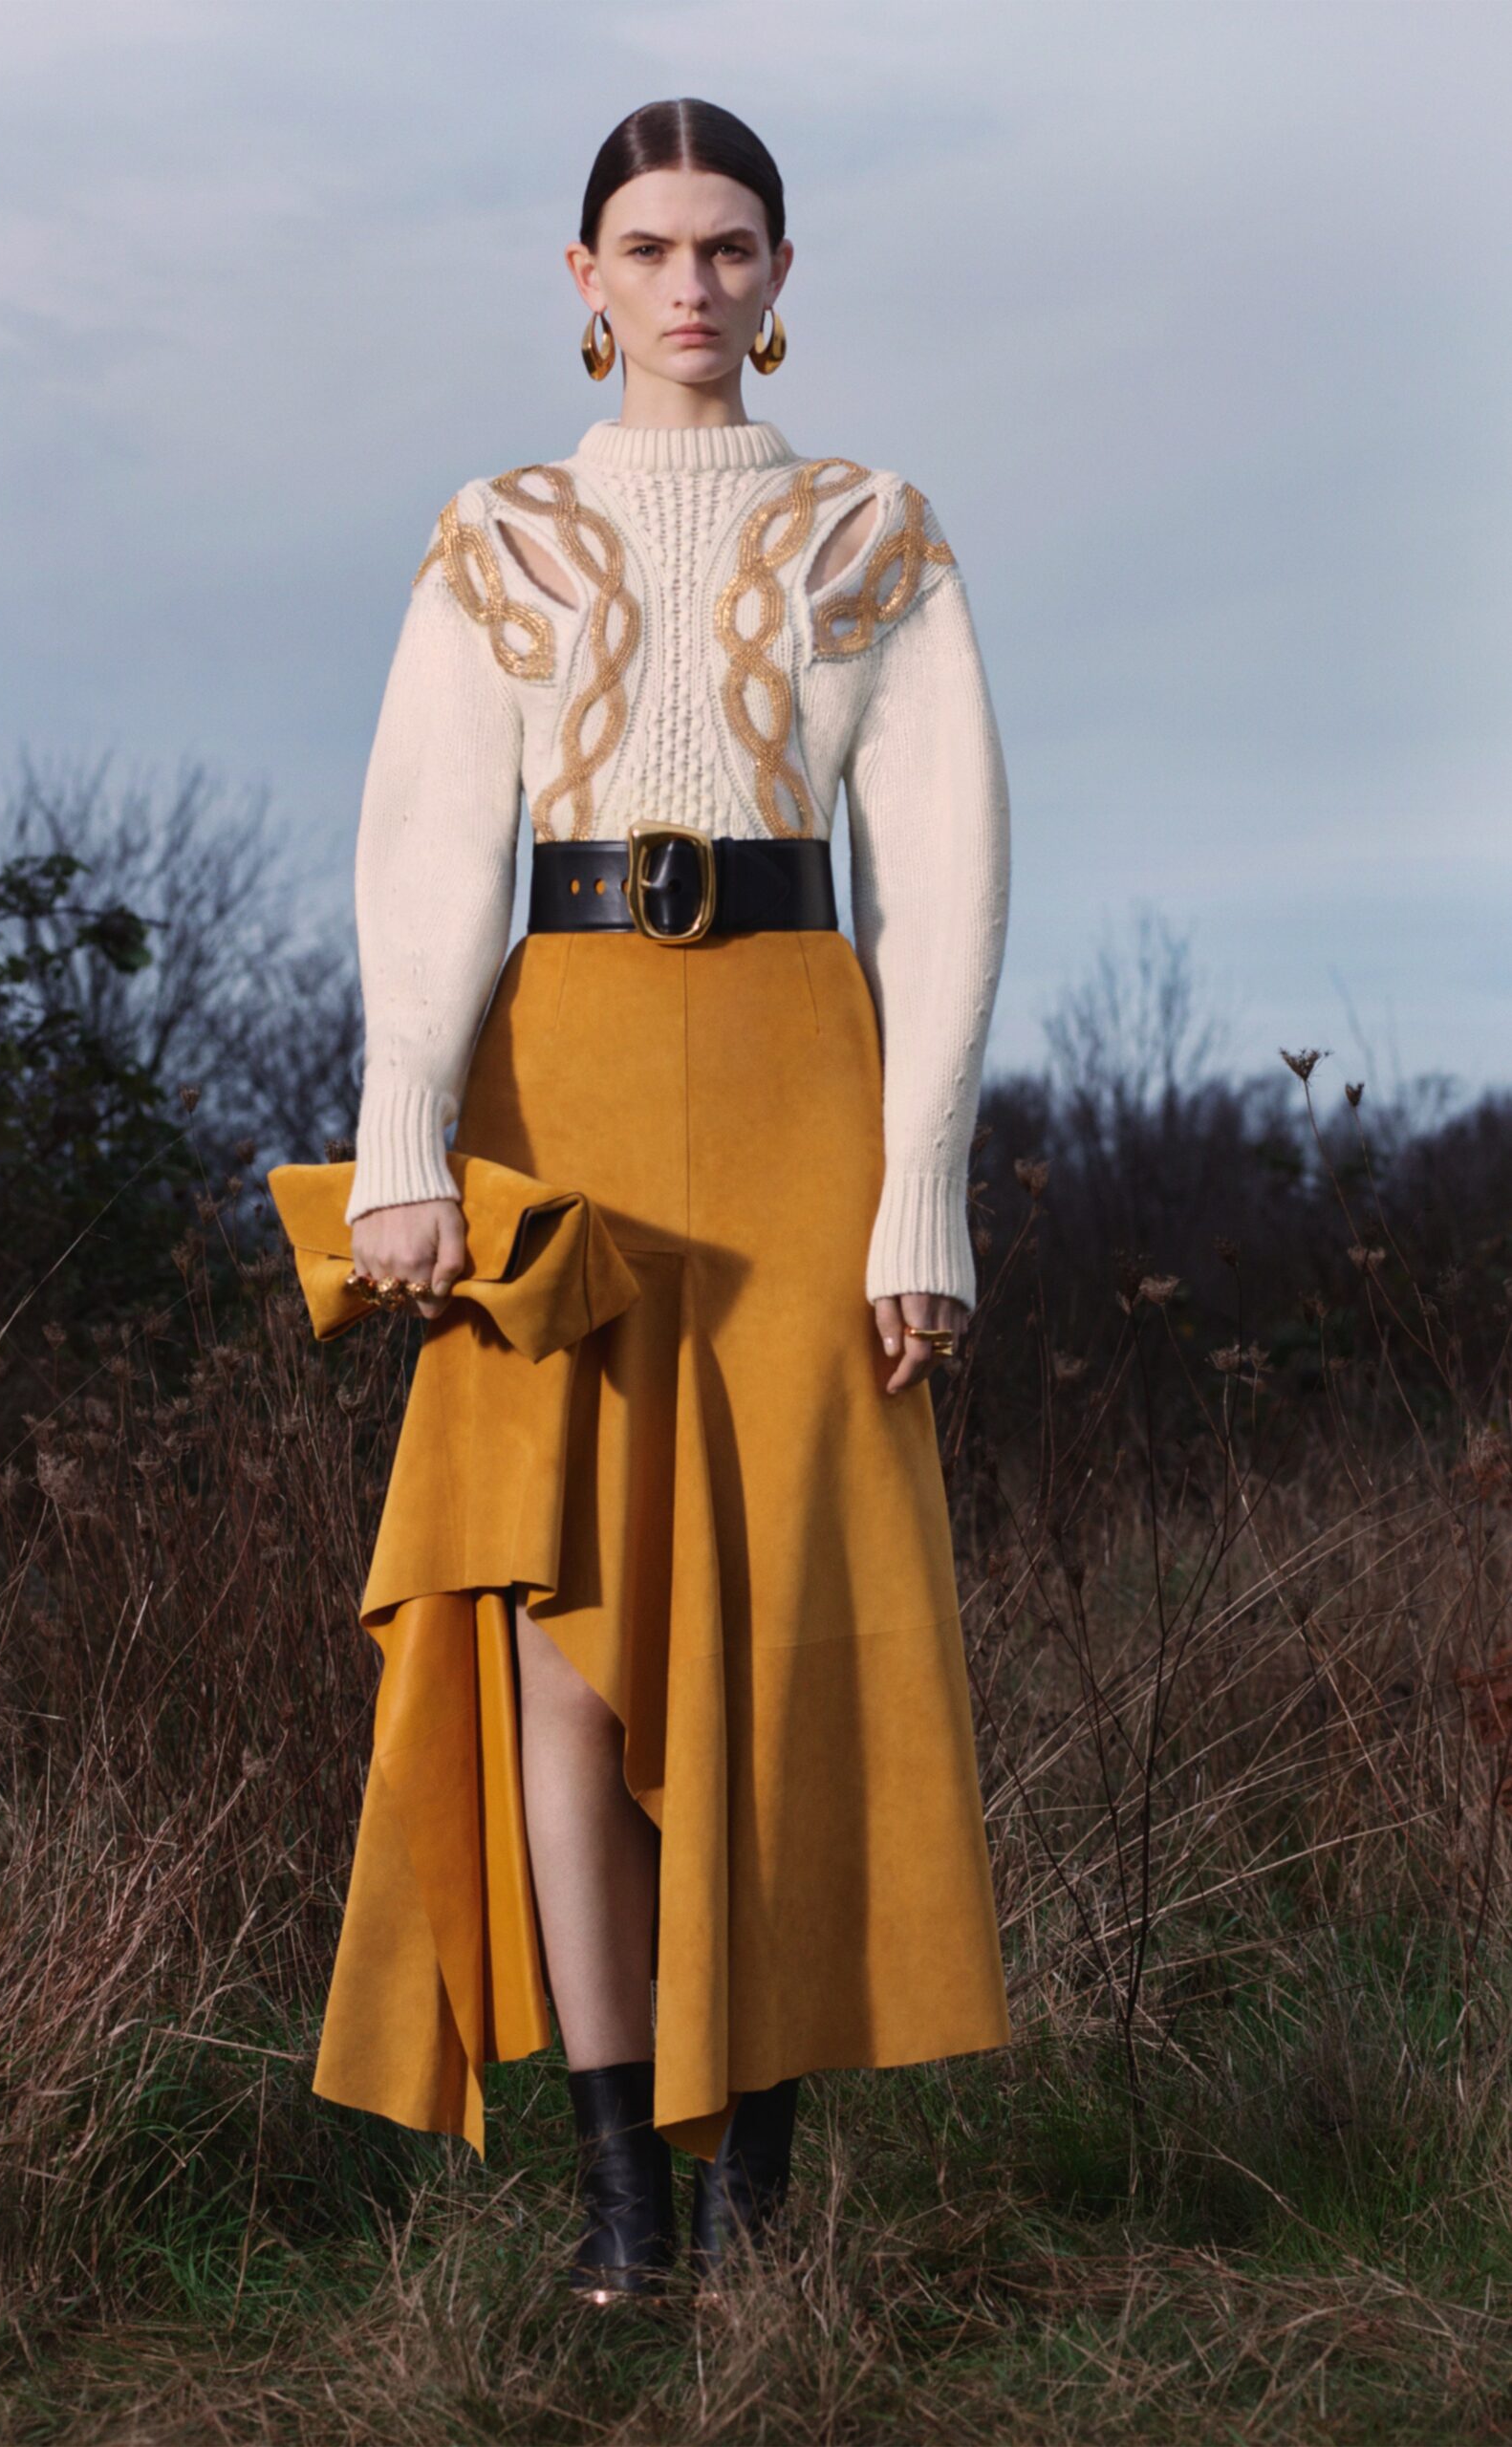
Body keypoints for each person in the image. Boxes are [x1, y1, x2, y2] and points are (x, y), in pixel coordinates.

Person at [337, 95, 1013, 2308]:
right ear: (581, 278)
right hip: (567, 1088)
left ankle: (758, 2203)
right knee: (560, 1651)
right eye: (648, 246)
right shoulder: (494, 532)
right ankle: (626, 2192)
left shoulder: (871, 528)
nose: (692, 284)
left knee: (780, 1642)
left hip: (812, 1080)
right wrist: (409, 1139)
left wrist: (923, 1191)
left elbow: (945, 867)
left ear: (782, 277)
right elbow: (430, 850)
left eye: (731, 246)